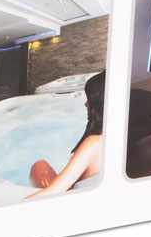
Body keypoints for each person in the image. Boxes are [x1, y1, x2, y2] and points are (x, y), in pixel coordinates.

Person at [26, 70, 105, 199]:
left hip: (71, 201)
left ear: (99, 104)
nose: (85, 104)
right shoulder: (121, 140)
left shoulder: (95, 144)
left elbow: (54, 192)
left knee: (38, 167)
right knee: (40, 166)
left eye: (89, 99)